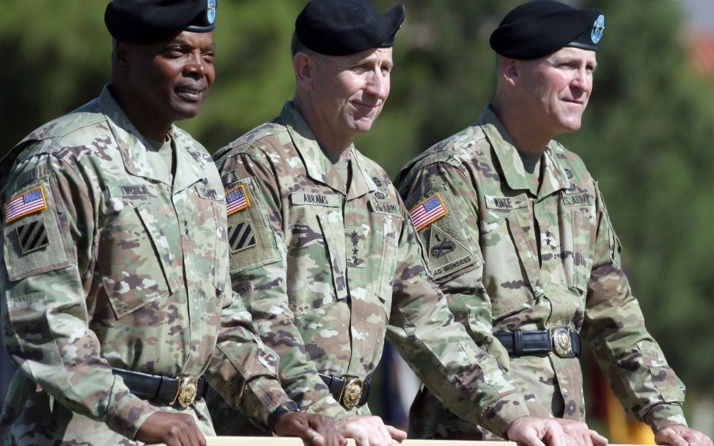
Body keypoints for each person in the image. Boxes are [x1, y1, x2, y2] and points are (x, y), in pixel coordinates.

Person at [207, 0, 607, 445]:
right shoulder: (254, 167)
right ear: (306, 70)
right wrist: (324, 413)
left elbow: (427, 320)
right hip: (266, 429)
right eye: (362, 69)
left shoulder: (377, 187)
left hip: (353, 428)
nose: (378, 88)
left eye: (386, 69)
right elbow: (258, 316)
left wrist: (513, 417)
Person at [0, 1, 344, 445]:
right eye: (178, 51)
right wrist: (137, 415)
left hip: (189, 427)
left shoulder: (199, 165)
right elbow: (42, 321)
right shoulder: (60, 160)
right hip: (83, 430)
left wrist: (278, 408)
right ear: (124, 55)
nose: (198, 69)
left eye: (208, 54)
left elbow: (221, 316)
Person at [395, 1, 713, 445]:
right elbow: (447, 320)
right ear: (512, 70)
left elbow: (615, 316)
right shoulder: (449, 174)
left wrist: (667, 417)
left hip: (565, 430)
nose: (583, 83)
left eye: (589, 69)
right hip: (477, 431)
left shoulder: (575, 179)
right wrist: (514, 418)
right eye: (566, 66)